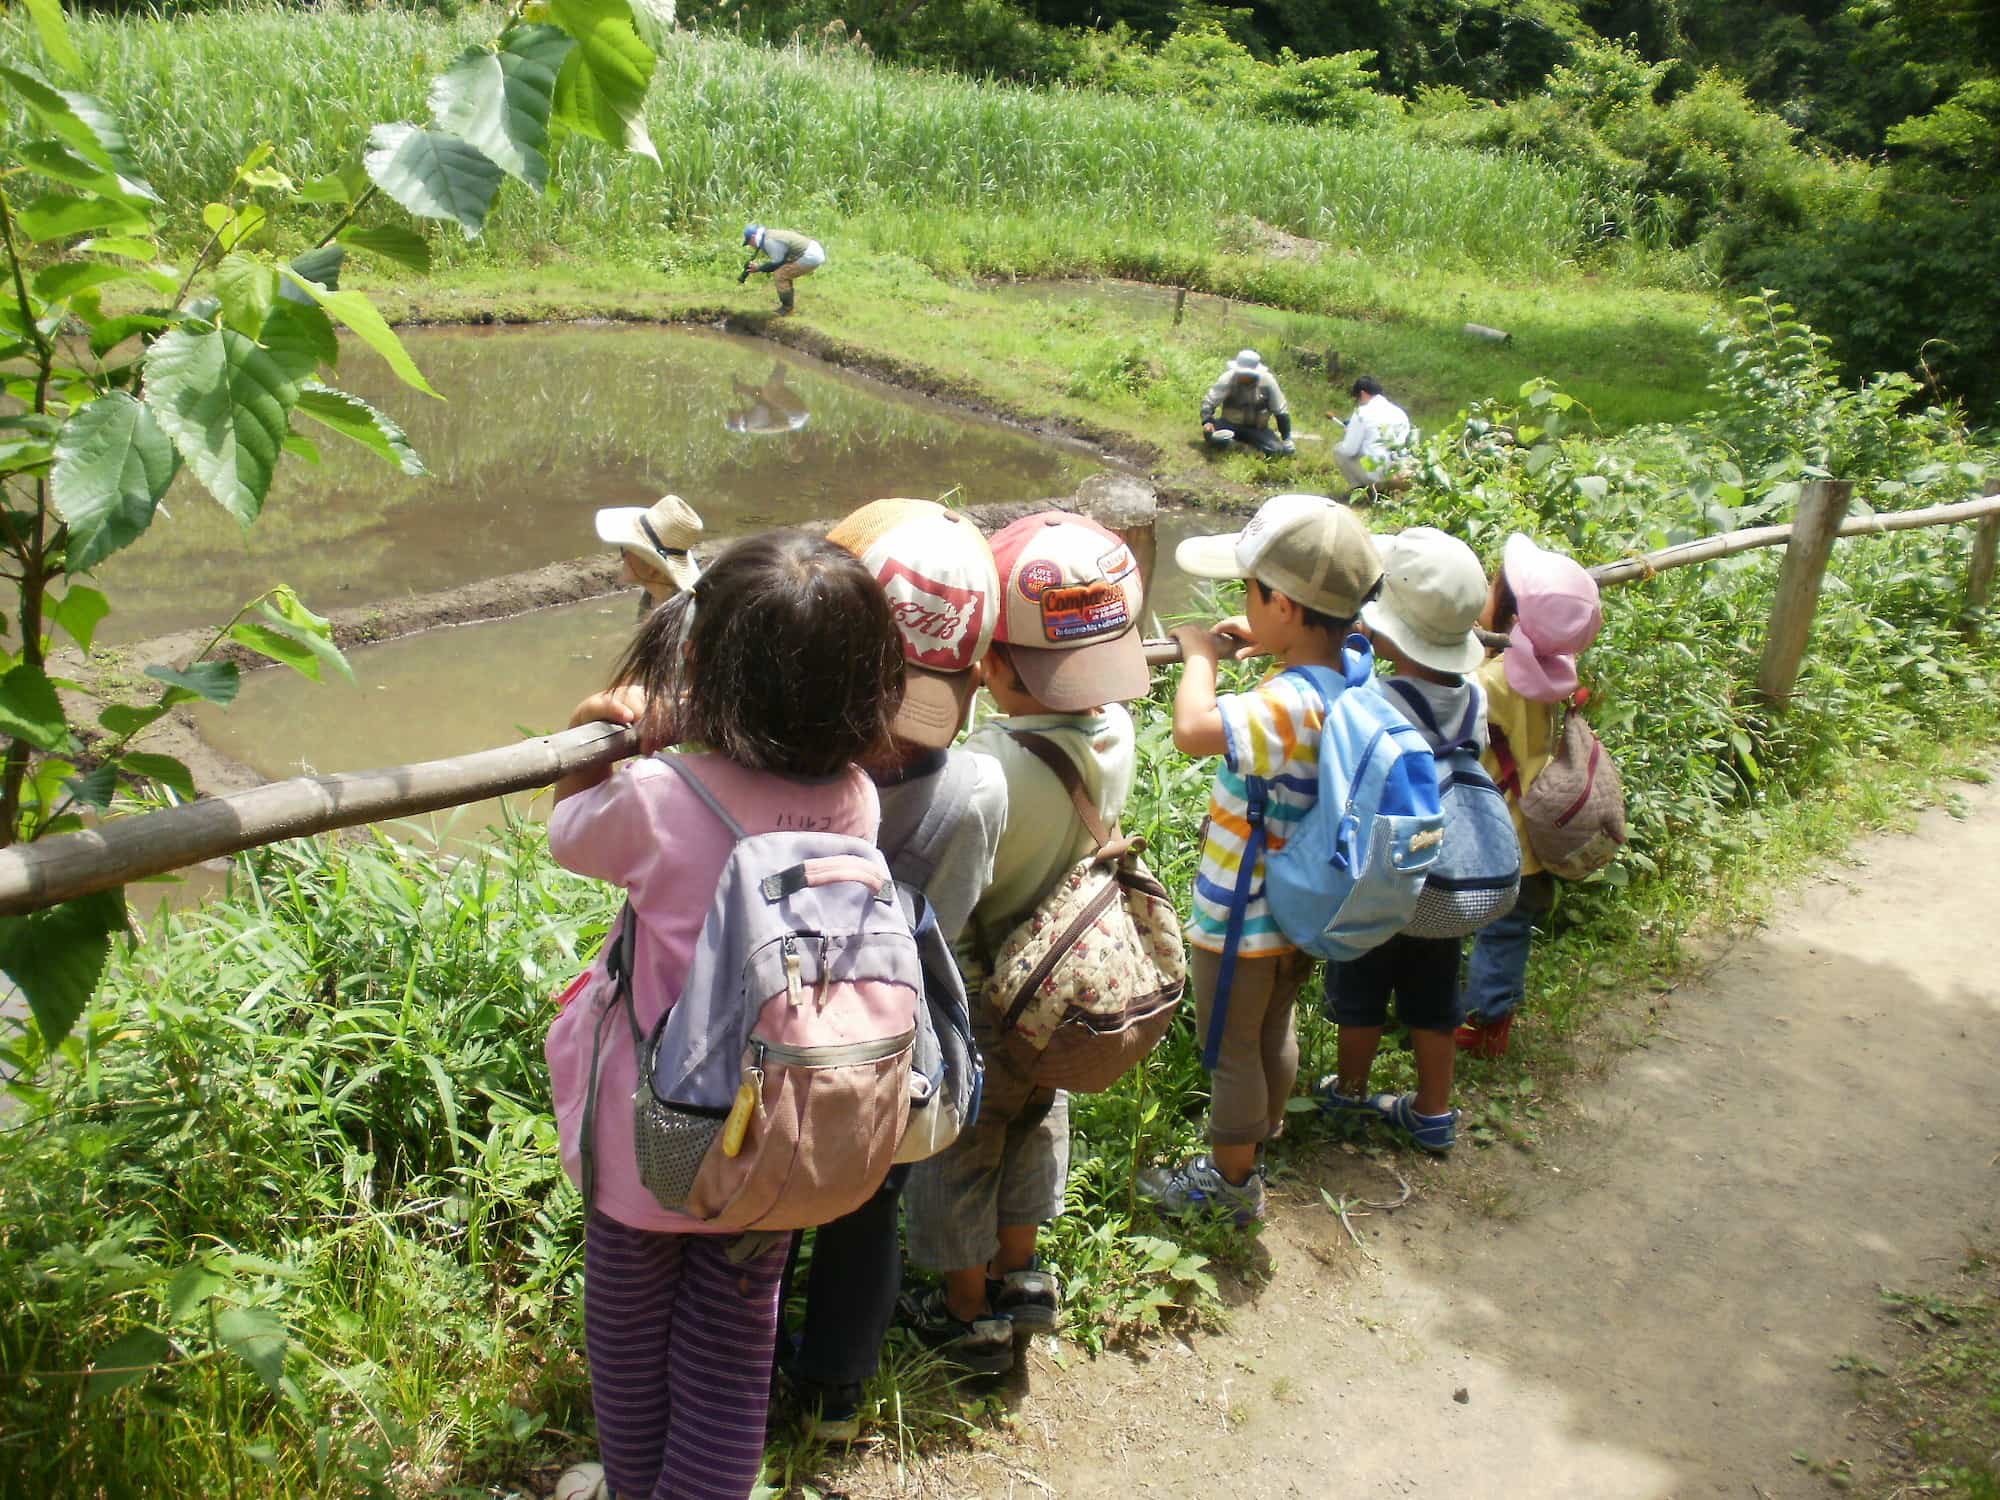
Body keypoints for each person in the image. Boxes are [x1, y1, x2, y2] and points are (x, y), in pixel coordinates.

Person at [542, 531, 906, 1500]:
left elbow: (564, 834)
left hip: (653, 1143)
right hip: (771, 1139)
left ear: (702, 671)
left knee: (628, 1344)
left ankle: (633, 1489)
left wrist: (597, 730)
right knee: (728, 1359)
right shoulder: (855, 798)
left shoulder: (661, 797)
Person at [782, 498, 1009, 1441]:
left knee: (761, 1210)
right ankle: (838, 1394)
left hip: (776, 1027)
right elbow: (942, 930)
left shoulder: (789, 762)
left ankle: (745, 1372)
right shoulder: (974, 788)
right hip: (885, 1043)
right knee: (866, 1202)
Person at [901, 510, 1149, 1370]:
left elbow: (952, 890)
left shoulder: (987, 769)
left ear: (993, 661)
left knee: (963, 1141)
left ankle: (968, 1316)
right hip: (1067, 975)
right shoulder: (1117, 734)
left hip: (989, 983)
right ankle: (1023, 1275)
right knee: (1038, 1119)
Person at [1136, 493, 1383, 1223]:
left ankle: (1231, 1184)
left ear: (1282, 604)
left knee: (1231, 1048)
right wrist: (1268, 635)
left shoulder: (1288, 703)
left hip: (1243, 914)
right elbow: (1319, 646)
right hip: (1300, 906)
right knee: (1274, 1026)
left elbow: (1193, 728)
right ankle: (1261, 1139)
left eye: (1251, 591)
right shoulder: (1352, 670)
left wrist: (1198, 656)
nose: (1242, 601)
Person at [1315, 527, 1491, 1155]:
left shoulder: (1375, 696)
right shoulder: (1475, 697)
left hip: (1386, 876)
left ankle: (1351, 1091)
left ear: (1387, 629)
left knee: (1360, 988)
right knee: (1434, 1001)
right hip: (1446, 883)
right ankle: (1434, 1111)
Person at [1456, 533, 1603, 1058]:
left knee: (1489, 931)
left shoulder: (1490, 681)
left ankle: (1482, 1021)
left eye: (1492, 588)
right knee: (1510, 933)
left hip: (1494, 836)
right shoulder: (1552, 670)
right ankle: (1498, 1013)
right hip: (1535, 831)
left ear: (1510, 615)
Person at [594, 494, 703, 611]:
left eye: (625, 550)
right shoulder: (651, 597)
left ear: (652, 568)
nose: (622, 557)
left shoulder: (682, 615)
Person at [1201, 349, 1295, 457]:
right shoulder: (1227, 378)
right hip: (1229, 425)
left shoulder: (1268, 382)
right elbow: (1209, 402)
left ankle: (1240, 447)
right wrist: (1207, 422)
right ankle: (1241, 447)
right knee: (1210, 435)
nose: (1244, 376)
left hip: (1257, 429)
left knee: (1277, 451)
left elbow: (1280, 411)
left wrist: (1287, 439)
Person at [1333, 376, 1412, 495]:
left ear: (1362, 394)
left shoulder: (1362, 413)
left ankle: (1362, 490)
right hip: (1401, 470)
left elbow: (1349, 450)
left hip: (1378, 471)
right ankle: (1390, 490)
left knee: (1338, 450)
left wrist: (1350, 434)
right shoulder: (1400, 413)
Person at [738, 224, 825, 315]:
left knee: (780, 274)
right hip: (811, 249)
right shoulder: (769, 234)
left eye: (749, 243)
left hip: (810, 256)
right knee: (783, 271)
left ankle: (787, 309)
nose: (751, 246)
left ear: (753, 237)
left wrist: (759, 268)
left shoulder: (769, 241)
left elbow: (777, 263)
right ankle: (788, 306)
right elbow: (782, 259)